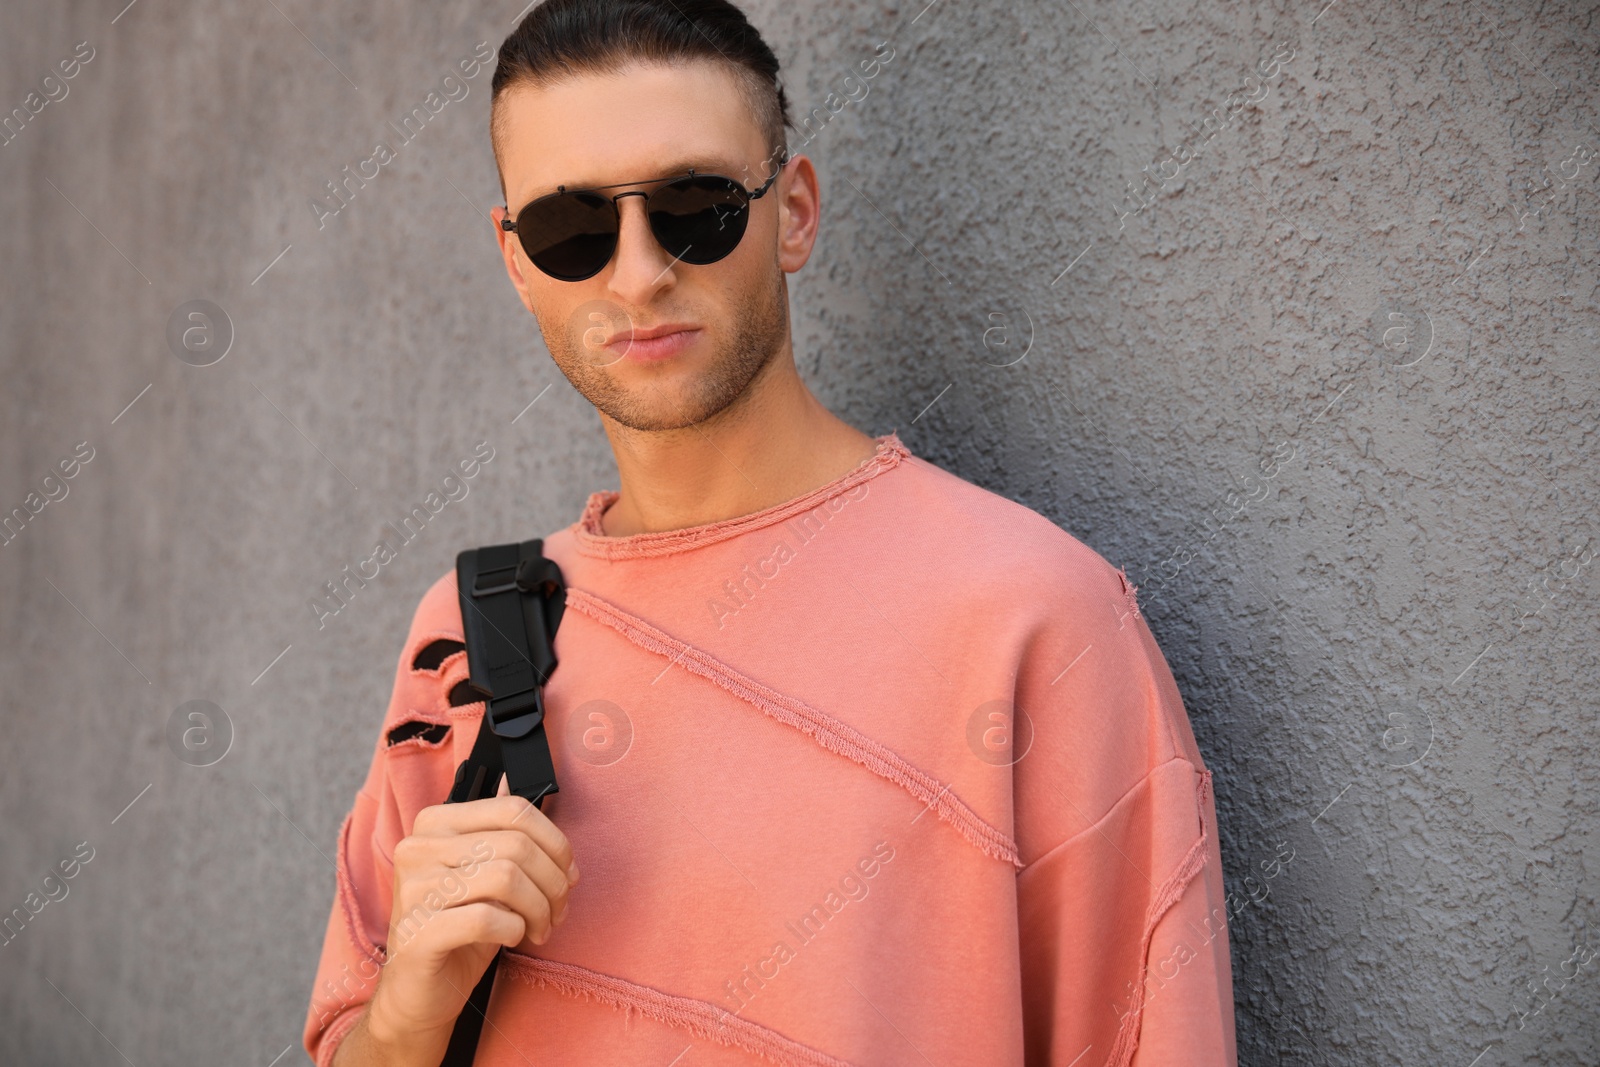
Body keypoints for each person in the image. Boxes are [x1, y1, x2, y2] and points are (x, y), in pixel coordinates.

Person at [302, 1, 1238, 1064]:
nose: (638, 271)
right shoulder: (470, 638)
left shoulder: (1032, 614)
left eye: (696, 206)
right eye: (573, 230)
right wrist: (410, 1012)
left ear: (791, 213)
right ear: (516, 260)